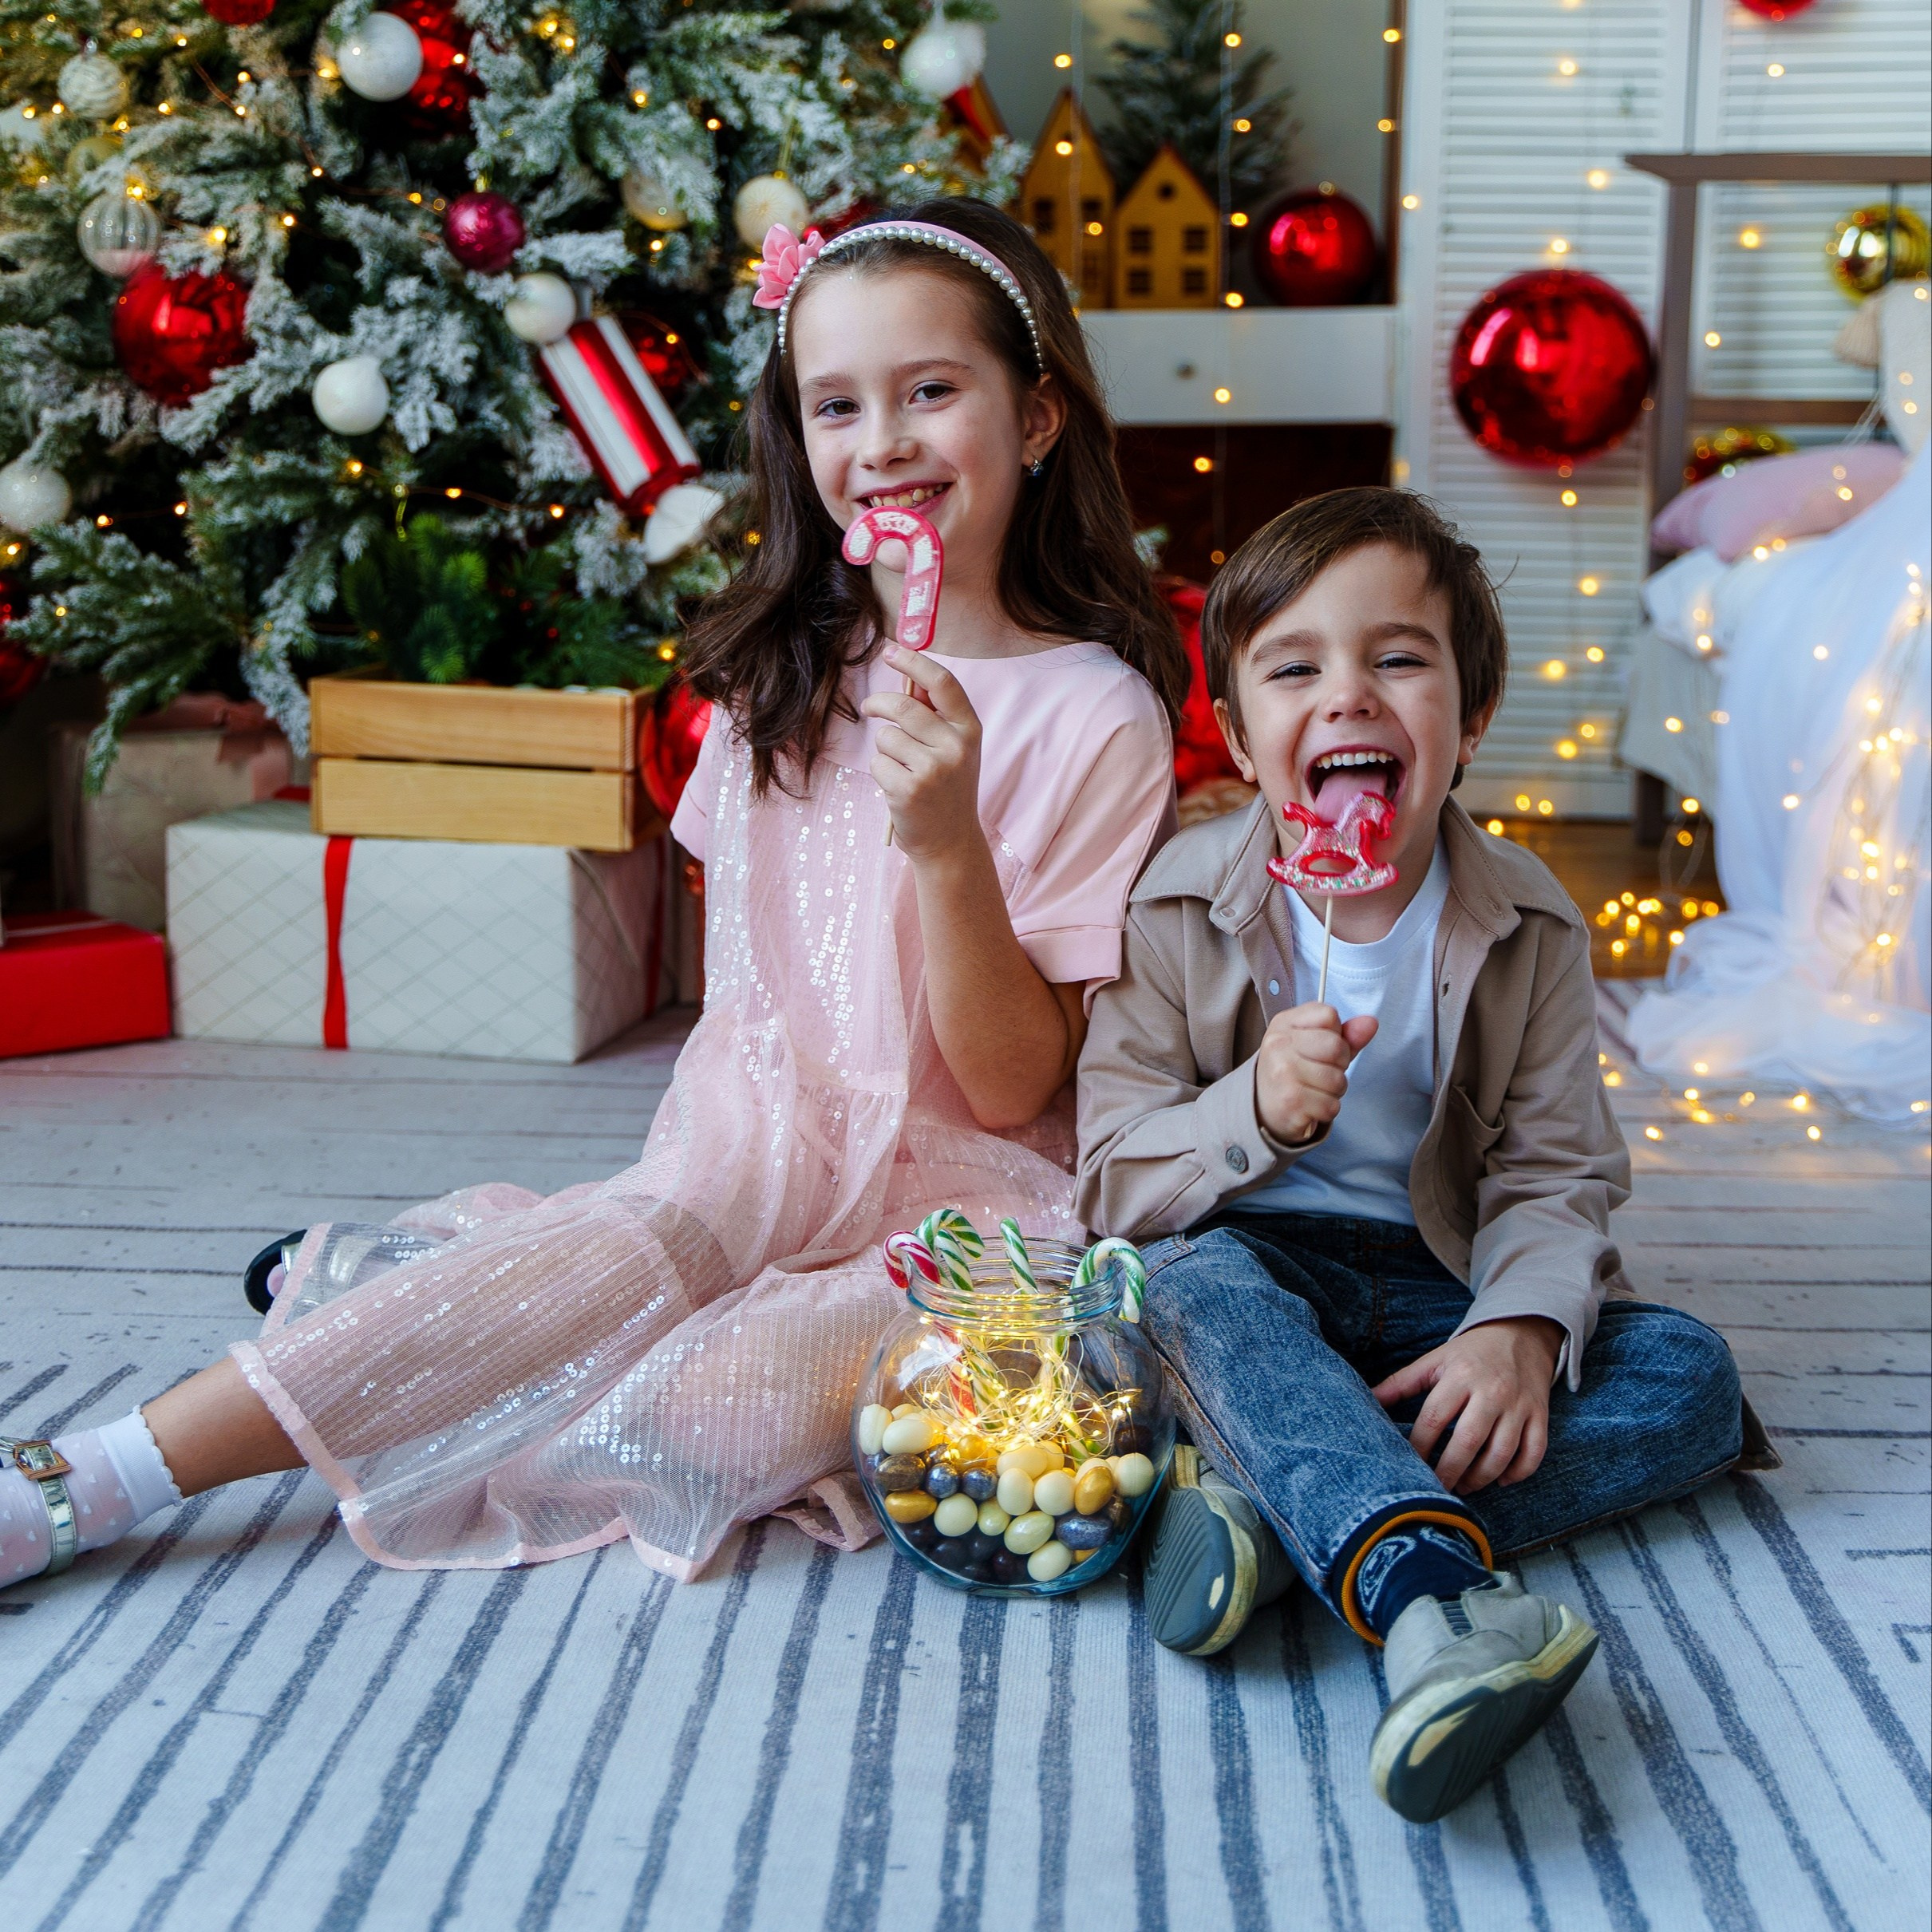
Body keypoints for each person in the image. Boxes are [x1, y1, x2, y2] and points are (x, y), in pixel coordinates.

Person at [0, 200, 1185, 1594]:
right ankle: (95, 1475)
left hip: (964, 1219)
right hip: (740, 1156)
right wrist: (710, 1208)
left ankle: (419, 1297)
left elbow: (1008, 1093)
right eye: (837, 406)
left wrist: (945, 848)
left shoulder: (1094, 713)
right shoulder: (779, 685)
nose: (885, 443)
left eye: (932, 391)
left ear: (1036, 418)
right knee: (617, 1267)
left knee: (677, 1416)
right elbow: (754, 1026)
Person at [1074, 488, 1747, 1824]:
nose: (1348, 696)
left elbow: (1553, 1176)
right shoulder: (1171, 908)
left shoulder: (1532, 924)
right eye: (1294, 665)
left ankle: (1277, 1520)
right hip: (1252, 1268)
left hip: (1439, 1284)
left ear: (1469, 717)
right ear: (1235, 730)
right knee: (1179, 1294)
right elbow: (1108, 1179)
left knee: (1693, 1377)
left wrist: (1514, 1325)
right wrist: (1250, 1110)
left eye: (1396, 658)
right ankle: (1423, 1595)